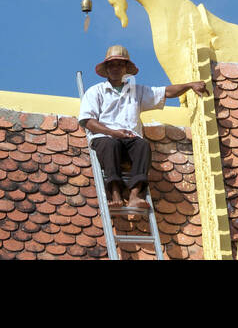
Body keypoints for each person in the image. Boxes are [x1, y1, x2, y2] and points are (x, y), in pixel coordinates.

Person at [77, 45, 209, 212]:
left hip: (130, 139)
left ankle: (134, 195)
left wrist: (189, 85)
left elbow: (165, 92)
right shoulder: (95, 92)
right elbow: (87, 121)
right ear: (107, 69)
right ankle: (115, 194)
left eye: (120, 64)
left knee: (142, 145)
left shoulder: (137, 91)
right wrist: (112, 132)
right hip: (105, 138)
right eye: (112, 64)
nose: (116, 68)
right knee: (112, 145)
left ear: (126, 69)